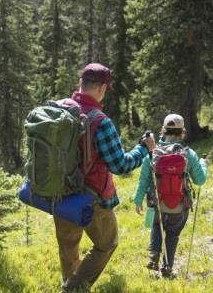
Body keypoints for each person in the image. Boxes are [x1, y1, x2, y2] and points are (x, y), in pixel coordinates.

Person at [55, 63, 156, 292]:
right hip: (91, 199)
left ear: (80, 84)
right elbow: (120, 165)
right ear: (101, 88)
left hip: (58, 192)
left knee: (68, 247)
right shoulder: (100, 121)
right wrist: (143, 149)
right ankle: (72, 289)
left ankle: (68, 281)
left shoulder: (60, 109)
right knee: (106, 243)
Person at [133, 114, 207, 278]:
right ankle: (167, 267)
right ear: (182, 133)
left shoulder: (152, 154)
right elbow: (200, 180)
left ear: (162, 131)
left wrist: (138, 200)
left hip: (156, 203)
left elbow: (143, 180)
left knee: (156, 226)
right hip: (179, 206)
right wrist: (203, 164)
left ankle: (153, 256)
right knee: (172, 234)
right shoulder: (188, 154)